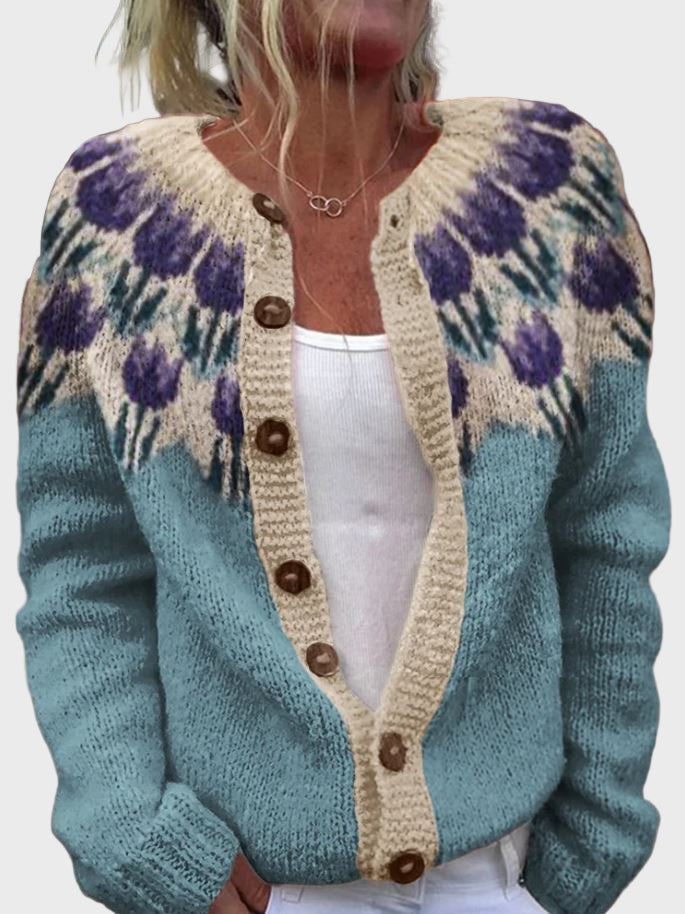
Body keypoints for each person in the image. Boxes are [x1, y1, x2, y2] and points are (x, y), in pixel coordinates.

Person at [14, 2, 671, 913]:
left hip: (502, 878)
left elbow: (604, 539)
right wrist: (136, 836)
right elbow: (83, 569)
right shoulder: (115, 213)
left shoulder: (547, 186)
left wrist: (591, 846)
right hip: (250, 885)